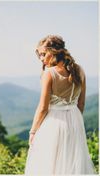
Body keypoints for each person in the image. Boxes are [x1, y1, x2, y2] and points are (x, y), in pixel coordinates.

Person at [25, 35, 95, 174]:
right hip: (75, 120)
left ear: (54, 52)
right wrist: (74, 120)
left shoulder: (49, 73)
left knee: (50, 164)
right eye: (39, 55)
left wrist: (33, 132)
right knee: (71, 163)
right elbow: (81, 103)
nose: (41, 58)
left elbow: (43, 108)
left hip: (54, 123)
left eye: (43, 54)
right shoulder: (80, 70)